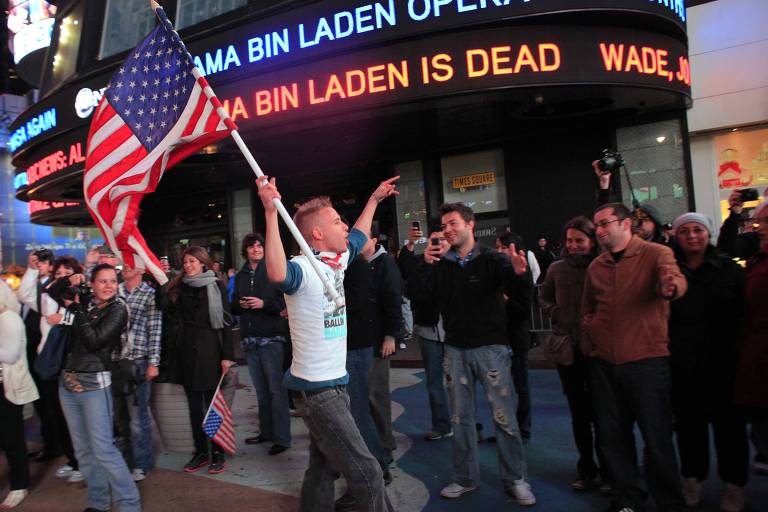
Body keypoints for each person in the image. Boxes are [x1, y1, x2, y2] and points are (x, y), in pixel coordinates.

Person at [257, 174, 398, 512]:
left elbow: (361, 234)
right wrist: (270, 213)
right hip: (318, 394)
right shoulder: (303, 268)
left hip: (334, 386)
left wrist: (375, 199)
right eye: (337, 221)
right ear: (317, 234)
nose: (344, 226)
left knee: (321, 468)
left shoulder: (336, 261)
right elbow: (277, 274)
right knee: (369, 474)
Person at [410, 202, 536, 505]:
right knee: (460, 419)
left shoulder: (493, 259)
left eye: (453, 223)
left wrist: (520, 276)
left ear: (471, 224)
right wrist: (424, 265)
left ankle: (516, 478)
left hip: (491, 349)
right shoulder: (441, 264)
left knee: (504, 418)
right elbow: (419, 298)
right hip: (454, 349)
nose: (448, 230)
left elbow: (522, 297)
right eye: (444, 225)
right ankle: (465, 478)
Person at [582, 202, 687, 512]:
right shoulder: (596, 266)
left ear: (626, 224)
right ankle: (626, 498)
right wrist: (591, 336)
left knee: (657, 438)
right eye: (597, 225)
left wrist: (671, 287)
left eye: (605, 223)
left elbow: (675, 280)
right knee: (613, 438)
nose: (599, 230)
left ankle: (669, 500)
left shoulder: (656, 254)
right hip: (604, 364)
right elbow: (587, 309)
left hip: (647, 362)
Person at [667, 213, 748, 511]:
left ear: (708, 234)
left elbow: (744, 313)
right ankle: (692, 479)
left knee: (730, 429)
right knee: (689, 427)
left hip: (725, 363)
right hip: (683, 364)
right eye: (685, 231)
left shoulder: (728, 269)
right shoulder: (669, 270)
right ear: (676, 235)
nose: (691, 236)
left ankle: (734, 485)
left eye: (698, 230)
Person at [58, 264, 141, 512]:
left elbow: (94, 342)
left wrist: (74, 308)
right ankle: (98, 502)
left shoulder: (118, 309)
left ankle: (129, 504)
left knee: (103, 449)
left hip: (96, 382)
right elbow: (50, 291)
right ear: (91, 284)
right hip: (68, 382)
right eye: (102, 281)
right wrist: (69, 281)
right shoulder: (85, 303)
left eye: (112, 281)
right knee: (82, 450)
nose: (108, 286)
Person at [539, 216, 608, 492]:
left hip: (599, 350)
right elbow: (543, 298)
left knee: (604, 414)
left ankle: (609, 470)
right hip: (568, 350)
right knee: (579, 414)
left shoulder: (601, 266)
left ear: (591, 241)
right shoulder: (556, 269)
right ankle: (587, 468)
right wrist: (555, 312)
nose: (574, 245)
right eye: (570, 241)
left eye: (579, 240)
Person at [163, 246, 235, 474]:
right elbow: (165, 307)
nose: (188, 266)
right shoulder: (178, 286)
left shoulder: (216, 285)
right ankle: (200, 451)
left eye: (192, 261)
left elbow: (226, 322)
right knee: (193, 407)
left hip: (210, 350)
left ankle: (217, 452)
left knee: (212, 406)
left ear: (203, 262)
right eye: (185, 262)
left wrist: (227, 356)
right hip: (185, 351)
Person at [231, 233, 291, 456]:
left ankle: (282, 438)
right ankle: (266, 432)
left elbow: (284, 303)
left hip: (272, 338)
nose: (256, 249)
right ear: (245, 250)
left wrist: (264, 303)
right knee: (262, 392)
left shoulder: (275, 270)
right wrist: (240, 304)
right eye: (251, 246)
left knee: (276, 390)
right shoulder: (240, 275)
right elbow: (233, 305)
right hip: (249, 338)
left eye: (259, 246)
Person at [397, 226, 451, 442]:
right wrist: (424, 263)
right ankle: (441, 424)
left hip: (456, 332)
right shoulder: (421, 264)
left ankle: (465, 423)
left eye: (442, 241)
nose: (438, 245)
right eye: (434, 241)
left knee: (460, 382)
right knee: (434, 381)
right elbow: (412, 290)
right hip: (430, 331)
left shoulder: (456, 264)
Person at [114, 264, 162, 482]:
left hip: (139, 362)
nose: (125, 268)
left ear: (141, 268)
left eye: (131, 264)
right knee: (120, 418)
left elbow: (155, 329)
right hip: (115, 363)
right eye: (123, 263)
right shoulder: (115, 291)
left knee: (137, 417)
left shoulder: (150, 294)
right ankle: (127, 461)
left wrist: (154, 362)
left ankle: (142, 464)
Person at [365, 228, 404, 480]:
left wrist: (391, 335)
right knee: (365, 398)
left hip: (379, 342)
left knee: (376, 396)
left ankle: (385, 451)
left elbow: (393, 300)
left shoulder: (385, 264)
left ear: (374, 240)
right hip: (359, 342)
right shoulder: (354, 264)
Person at [733, 201, 768, 480]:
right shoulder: (759, 258)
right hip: (758, 355)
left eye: (765, 222)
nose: (760, 228)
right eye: (758, 222)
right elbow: (729, 244)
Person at [0, 281, 38, 510]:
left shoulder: (10, 319)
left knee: (12, 438)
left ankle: (19, 485)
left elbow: (12, 354)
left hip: (7, 388)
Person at [496, 232, 534, 443]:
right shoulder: (499, 272)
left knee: (521, 386)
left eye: (503, 247)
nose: (499, 251)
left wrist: (505, 301)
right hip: (498, 339)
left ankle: (523, 429)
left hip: (517, 339)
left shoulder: (523, 274)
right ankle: (507, 428)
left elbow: (524, 310)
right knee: (501, 389)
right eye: (498, 247)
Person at [717, 189, 765, 260]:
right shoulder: (756, 240)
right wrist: (734, 213)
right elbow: (726, 248)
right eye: (759, 220)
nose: (762, 226)